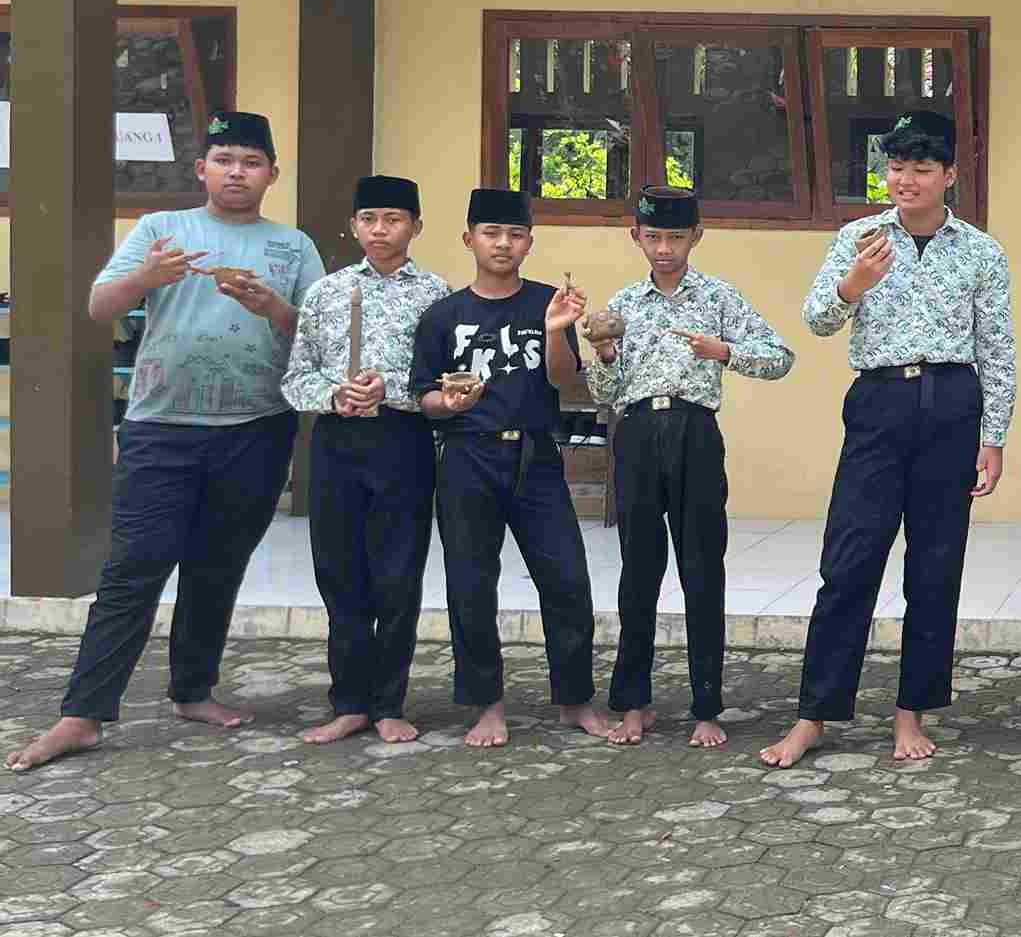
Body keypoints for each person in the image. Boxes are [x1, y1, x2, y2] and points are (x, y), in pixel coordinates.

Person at [7, 112, 324, 772]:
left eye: (251, 162)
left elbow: (317, 336)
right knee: (133, 569)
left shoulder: (292, 246)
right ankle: (82, 714)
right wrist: (145, 280)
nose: (236, 172)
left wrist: (272, 307)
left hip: (257, 429)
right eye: (224, 159)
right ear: (201, 169)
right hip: (160, 428)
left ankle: (193, 691)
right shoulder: (160, 230)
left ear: (272, 173)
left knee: (217, 566)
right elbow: (100, 307)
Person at [765, 111, 1016, 768]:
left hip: (952, 405)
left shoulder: (981, 251)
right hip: (879, 403)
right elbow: (818, 320)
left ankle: (912, 712)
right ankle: (814, 714)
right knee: (848, 561)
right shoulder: (859, 238)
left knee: (935, 567)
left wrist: (993, 436)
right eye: (896, 167)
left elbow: (996, 348)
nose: (905, 180)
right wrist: (854, 284)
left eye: (921, 168)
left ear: (949, 175)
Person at [587, 187, 795, 748]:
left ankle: (707, 708)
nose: (664, 249)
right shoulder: (623, 303)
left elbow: (781, 358)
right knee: (638, 572)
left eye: (675, 237)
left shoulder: (720, 297)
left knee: (702, 570)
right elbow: (603, 391)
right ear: (636, 237)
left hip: (695, 433)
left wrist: (724, 351)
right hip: (635, 433)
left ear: (696, 237)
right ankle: (633, 704)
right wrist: (605, 355)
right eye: (653, 237)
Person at [410, 188, 606, 748]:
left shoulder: (548, 302)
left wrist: (555, 330)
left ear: (529, 243)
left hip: (535, 455)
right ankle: (487, 705)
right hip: (466, 456)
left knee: (566, 578)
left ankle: (574, 699)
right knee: (471, 583)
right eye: (491, 233)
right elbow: (423, 395)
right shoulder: (443, 315)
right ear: (468, 239)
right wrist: (448, 404)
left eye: (515, 235)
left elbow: (562, 380)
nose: (503, 244)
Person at [281, 174, 451, 746]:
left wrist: (391, 389)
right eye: (370, 220)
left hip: (403, 442)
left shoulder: (437, 296)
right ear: (354, 226)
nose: (381, 230)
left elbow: (442, 381)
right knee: (339, 572)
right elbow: (296, 376)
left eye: (394, 220)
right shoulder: (326, 293)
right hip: (337, 443)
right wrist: (334, 395)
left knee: (398, 574)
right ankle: (349, 702)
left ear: (415, 227)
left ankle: (389, 703)